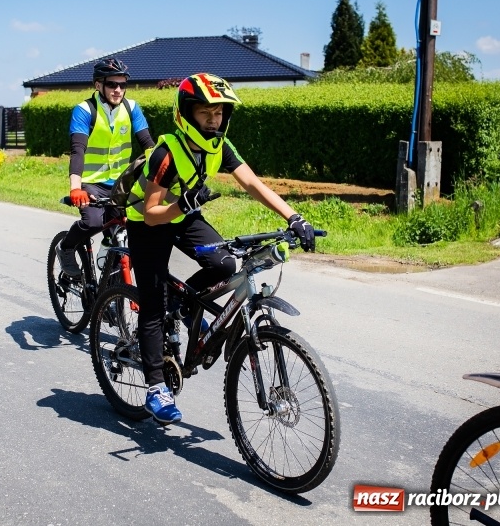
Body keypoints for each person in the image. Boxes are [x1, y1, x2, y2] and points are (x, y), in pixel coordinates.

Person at [125, 73, 316, 425]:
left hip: (182, 213)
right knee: (152, 304)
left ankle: (181, 305)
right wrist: (182, 205)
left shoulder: (220, 146)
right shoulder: (167, 154)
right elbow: (152, 214)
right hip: (148, 223)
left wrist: (294, 216)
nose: (214, 121)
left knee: (227, 265)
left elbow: (253, 183)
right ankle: (155, 389)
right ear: (186, 114)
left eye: (219, 114)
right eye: (206, 113)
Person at [55, 57, 155, 277]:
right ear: (98, 85)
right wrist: (75, 187)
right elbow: (77, 150)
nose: (118, 90)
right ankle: (66, 247)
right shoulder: (84, 110)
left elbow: (148, 145)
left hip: (123, 183)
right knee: (92, 222)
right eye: (112, 84)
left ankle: (110, 270)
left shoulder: (131, 108)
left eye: (122, 85)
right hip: (91, 182)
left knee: (130, 228)